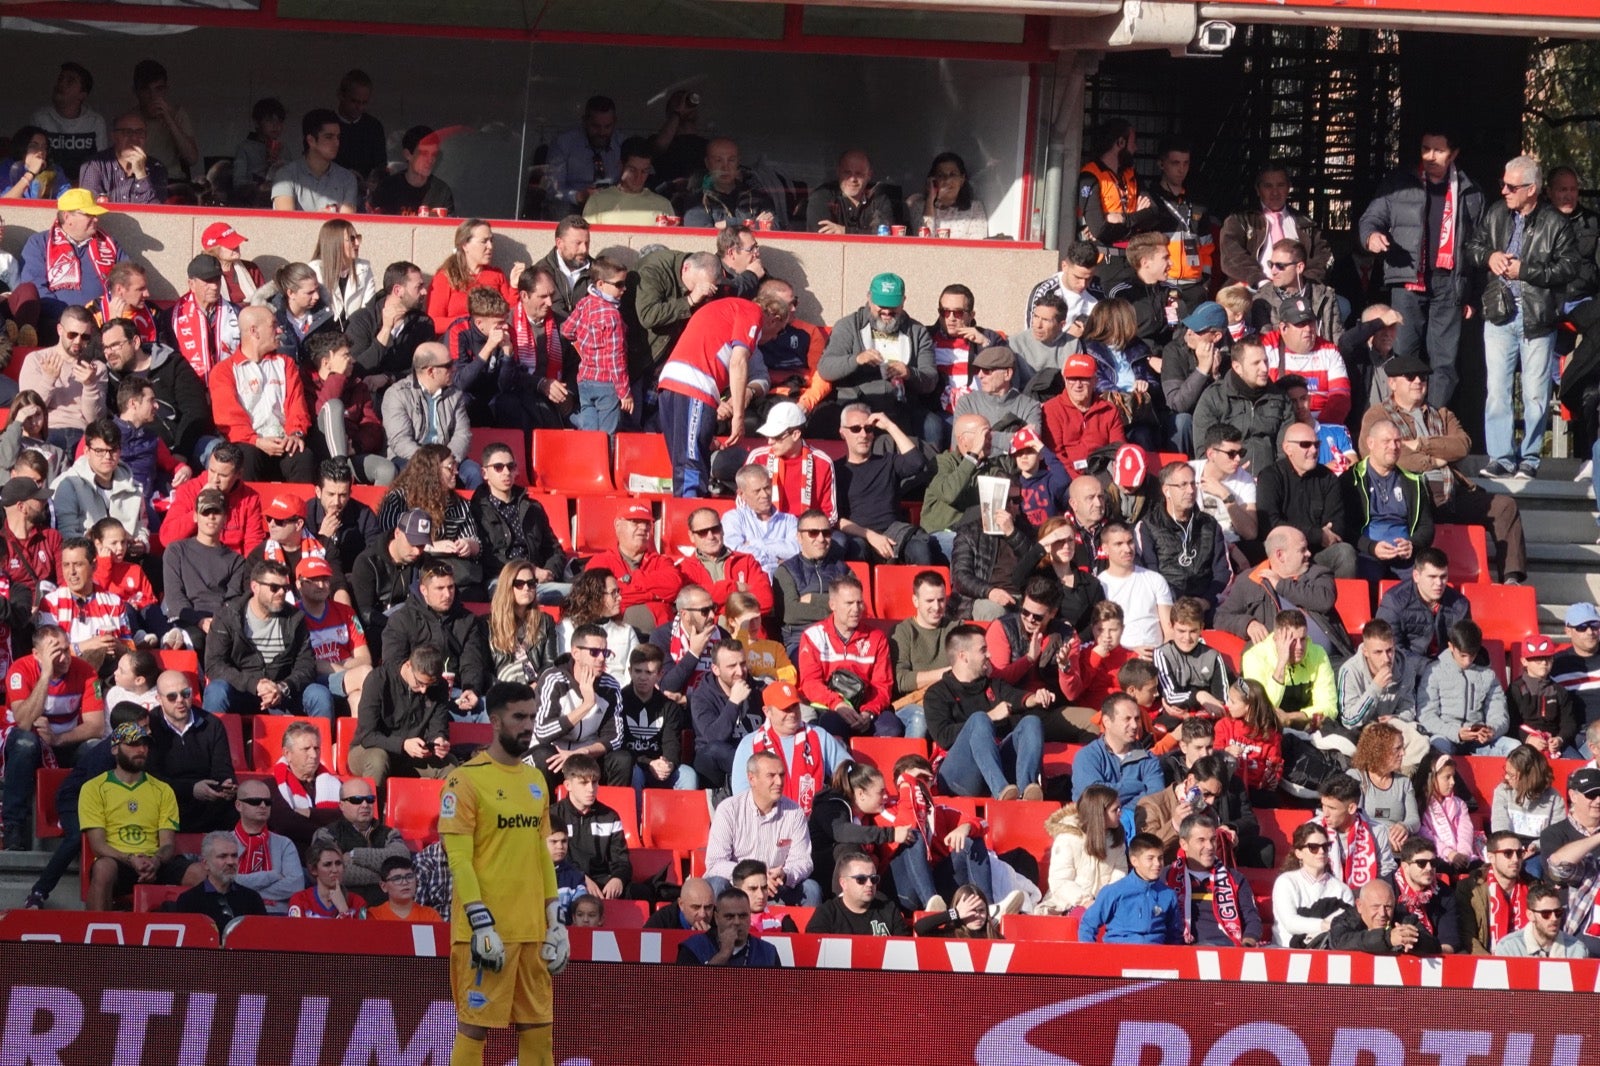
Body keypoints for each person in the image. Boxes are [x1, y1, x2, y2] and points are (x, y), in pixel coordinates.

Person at [440, 680, 567, 1066]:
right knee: (474, 1031)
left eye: (532, 716)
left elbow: (541, 854)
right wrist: (480, 923)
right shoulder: (464, 781)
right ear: (495, 721)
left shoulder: (535, 780)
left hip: (532, 931)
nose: (528, 725)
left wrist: (554, 919)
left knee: (539, 1035)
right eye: (518, 717)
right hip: (486, 933)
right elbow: (458, 859)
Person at [1362, 356, 1528, 584]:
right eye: (1410, 377)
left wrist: (1421, 444)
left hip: (1452, 491)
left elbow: (1462, 445)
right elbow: (1383, 455)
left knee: (1504, 506)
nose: (1418, 381)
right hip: (1412, 496)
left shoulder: (1441, 414)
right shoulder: (1378, 415)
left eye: (1423, 377)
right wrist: (1435, 460)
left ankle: (1512, 580)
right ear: (1392, 383)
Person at [1468, 155, 1581, 479]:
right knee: (1497, 390)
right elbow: (1471, 248)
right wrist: (1489, 256)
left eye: (1511, 186)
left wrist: (1525, 271)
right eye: (1503, 184)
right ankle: (1501, 457)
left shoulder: (1555, 223)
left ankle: (1529, 458)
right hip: (1500, 314)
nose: (1504, 190)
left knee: (1535, 392)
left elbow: (1570, 267)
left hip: (1537, 317)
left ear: (1532, 189)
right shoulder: (1495, 214)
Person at [1358, 128, 1486, 408]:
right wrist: (1372, 237)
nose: (1430, 156)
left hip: (1449, 283)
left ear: (1453, 154)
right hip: (1408, 280)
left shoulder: (1470, 191)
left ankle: (1435, 422)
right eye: (1425, 148)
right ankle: (1403, 419)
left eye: (1438, 150)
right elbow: (1370, 218)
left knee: (1444, 362)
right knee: (1404, 355)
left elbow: (1479, 247)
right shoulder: (1400, 183)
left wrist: (1473, 296)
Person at [658, 293, 786, 497]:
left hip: (670, 380)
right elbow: (738, 361)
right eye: (777, 331)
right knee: (691, 461)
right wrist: (738, 417)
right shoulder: (751, 311)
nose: (773, 338)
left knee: (684, 458)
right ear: (774, 318)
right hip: (696, 383)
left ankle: (686, 507)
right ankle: (693, 511)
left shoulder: (723, 309)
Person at [0, 626, 104, 850]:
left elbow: (96, 726)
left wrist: (57, 739)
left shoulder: (86, 671)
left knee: (96, 748)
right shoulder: (20, 670)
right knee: (25, 742)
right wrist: (46, 674)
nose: (65, 657)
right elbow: (25, 722)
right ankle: (13, 827)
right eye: (55, 652)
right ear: (37, 655)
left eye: (67, 650)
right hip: (26, 745)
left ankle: (91, 825)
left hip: (64, 741)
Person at [924, 623, 1049, 801]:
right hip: (959, 776)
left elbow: (1017, 698)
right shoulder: (937, 693)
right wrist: (991, 716)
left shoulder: (992, 685)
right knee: (979, 720)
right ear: (963, 656)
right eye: (983, 650)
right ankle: (1001, 792)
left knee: (1032, 722)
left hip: (998, 766)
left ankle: (1025, 793)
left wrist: (1036, 698)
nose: (989, 655)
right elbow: (943, 737)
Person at [81, 722, 198, 910]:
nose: (141, 750)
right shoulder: (94, 788)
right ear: (114, 750)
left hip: (154, 861)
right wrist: (131, 859)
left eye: (144, 745)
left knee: (199, 872)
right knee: (103, 869)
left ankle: (205, 935)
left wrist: (156, 861)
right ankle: (97, 933)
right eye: (133, 744)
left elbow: (167, 844)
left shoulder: (162, 790)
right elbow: (98, 846)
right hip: (119, 862)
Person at [816, 273, 938, 440]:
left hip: (900, 406)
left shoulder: (917, 332)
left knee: (932, 426)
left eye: (893, 306)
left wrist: (909, 373)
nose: (887, 311)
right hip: (857, 404)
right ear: (869, 298)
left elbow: (930, 379)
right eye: (881, 305)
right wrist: (857, 360)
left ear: (903, 301)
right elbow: (826, 368)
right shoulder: (849, 326)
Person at [203, 559, 325, 718]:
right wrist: (255, 684)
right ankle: (212, 742)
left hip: (281, 693)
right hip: (241, 690)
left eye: (285, 588)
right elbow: (214, 665)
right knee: (216, 691)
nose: (281, 593)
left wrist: (282, 688)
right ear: (255, 587)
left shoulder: (295, 619)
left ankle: (321, 742)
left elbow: (306, 665)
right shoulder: (228, 616)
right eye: (274, 588)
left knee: (319, 695)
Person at [209, 306, 315, 483]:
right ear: (254, 331)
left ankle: (301, 510)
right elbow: (228, 419)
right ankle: (248, 509)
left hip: (283, 441)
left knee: (303, 456)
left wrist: (295, 434)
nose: (279, 330)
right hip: (250, 444)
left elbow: (297, 405)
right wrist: (256, 441)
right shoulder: (224, 371)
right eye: (273, 325)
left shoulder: (285, 364)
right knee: (246, 457)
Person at [1217, 525, 1349, 663]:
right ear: (1280, 555)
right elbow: (1221, 617)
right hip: (1276, 666)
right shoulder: (1250, 580)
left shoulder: (1317, 573)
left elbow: (1324, 600)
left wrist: (1281, 585)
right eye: (1302, 550)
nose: (1309, 553)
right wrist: (1247, 624)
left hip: (1328, 661)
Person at [707, 750, 819, 905]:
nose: (779, 782)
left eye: (781, 775)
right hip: (738, 888)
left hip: (775, 887)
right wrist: (751, 877)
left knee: (811, 890)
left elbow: (803, 861)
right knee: (715, 885)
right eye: (771, 776)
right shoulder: (729, 809)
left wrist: (785, 875)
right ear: (752, 779)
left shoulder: (794, 813)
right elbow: (715, 863)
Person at [528, 622, 631, 786]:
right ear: (576, 653)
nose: (602, 658)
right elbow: (542, 731)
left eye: (605, 652)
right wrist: (586, 705)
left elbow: (615, 738)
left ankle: (609, 811)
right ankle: (545, 810)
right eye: (594, 652)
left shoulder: (610, 686)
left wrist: (581, 753)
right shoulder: (553, 679)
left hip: (587, 755)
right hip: (554, 752)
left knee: (622, 759)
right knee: (543, 756)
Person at [730, 679, 849, 815]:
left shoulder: (818, 736)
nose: (792, 714)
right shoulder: (750, 744)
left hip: (814, 824)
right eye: (785, 709)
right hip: (767, 824)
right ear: (767, 711)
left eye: (795, 707)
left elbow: (848, 774)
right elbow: (741, 796)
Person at [347, 643, 453, 789]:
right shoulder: (378, 680)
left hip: (413, 755)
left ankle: (445, 811)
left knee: (450, 765)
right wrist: (402, 744)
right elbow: (368, 735)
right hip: (369, 749)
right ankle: (372, 810)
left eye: (429, 685)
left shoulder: (439, 686)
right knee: (379, 760)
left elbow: (438, 724)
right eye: (419, 683)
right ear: (408, 665)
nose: (423, 690)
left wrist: (439, 740)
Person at [145, 667, 236, 833]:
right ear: (159, 698)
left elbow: (222, 768)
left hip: (208, 803)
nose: (180, 700)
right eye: (172, 696)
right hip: (167, 802)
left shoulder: (212, 724)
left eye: (185, 693)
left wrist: (225, 786)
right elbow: (152, 779)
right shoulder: (150, 725)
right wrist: (191, 789)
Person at [1192, 338, 1297, 478]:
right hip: (1226, 481)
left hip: (1269, 482)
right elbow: (1204, 452)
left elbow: (1286, 451)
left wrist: (1273, 480)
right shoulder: (1214, 397)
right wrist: (1233, 476)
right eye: (1256, 363)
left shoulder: (1280, 399)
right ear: (1237, 367)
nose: (1265, 369)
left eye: (1265, 361)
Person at [1343, 418, 1433, 580]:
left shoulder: (1413, 482)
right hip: (1366, 554)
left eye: (1397, 441)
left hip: (1405, 557)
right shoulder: (1351, 479)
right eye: (1386, 441)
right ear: (1370, 443)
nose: (1393, 447)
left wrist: (1413, 544)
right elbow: (1343, 527)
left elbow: (1427, 526)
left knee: (1427, 578)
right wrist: (1371, 547)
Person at [1218, 162, 1333, 289]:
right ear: (1258, 189)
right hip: (1252, 289)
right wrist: (1261, 282)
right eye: (1268, 186)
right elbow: (1231, 257)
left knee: (1343, 305)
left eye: (1280, 185)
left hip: (1299, 291)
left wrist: (1304, 284)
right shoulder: (1240, 220)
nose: (1275, 192)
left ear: (1289, 187)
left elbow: (1324, 257)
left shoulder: (1306, 223)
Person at [920, 414, 1018, 559]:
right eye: (983, 434)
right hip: (941, 534)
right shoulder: (942, 462)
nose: (989, 438)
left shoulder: (991, 468)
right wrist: (972, 456)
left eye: (990, 433)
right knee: (969, 549)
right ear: (962, 439)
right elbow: (949, 494)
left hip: (978, 535)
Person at [1134, 463, 1229, 610]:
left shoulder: (1210, 524)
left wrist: (1206, 601)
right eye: (1183, 485)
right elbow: (1150, 575)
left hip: (1206, 605)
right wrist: (1174, 604)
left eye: (1193, 484)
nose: (1191, 490)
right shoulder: (1147, 527)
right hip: (1167, 607)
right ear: (1167, 490)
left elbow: (1222, 572)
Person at [1416, 618, 1515, 757]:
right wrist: (1456, 732)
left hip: (1479, 740)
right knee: (1436, 749)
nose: (1467, 661)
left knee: (1514, 748)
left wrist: (1491, 730)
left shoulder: (1488, 675)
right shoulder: (1434, 671)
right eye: (1462, 655)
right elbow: (1426, 716)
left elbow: (1499, 714)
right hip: (1446, 736)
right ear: (1451, 647)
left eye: (1472, 655)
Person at [1164, 810, 1261, 947]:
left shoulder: (1235, 878)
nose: (1209, 847)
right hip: (1184, 951)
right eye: (1201, 840)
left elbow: (1252, 920)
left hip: (1229, 950)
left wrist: (1248, 943)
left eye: (1213, 840)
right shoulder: (1167, 877)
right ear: (1184, 844)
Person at [548, 753, 633, 902]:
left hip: (602, 882)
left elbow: (621, 859)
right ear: (568, 785)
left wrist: (618, 878)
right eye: (583, 783)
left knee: (638, 892)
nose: (591, 789)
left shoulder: (610, 816)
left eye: (594, 782)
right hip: (566, 879)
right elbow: (551, 857)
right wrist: (581, 877)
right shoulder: (552, 815)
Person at [51, 418, 147, 549]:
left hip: (125, 556)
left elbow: (141, 526)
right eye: (100, 451)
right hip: (87, 558)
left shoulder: (133, 486)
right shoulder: (68, 485)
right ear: (86, 451)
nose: (107, 457)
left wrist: (141, 543)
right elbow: (67, 534)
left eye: (113, 450)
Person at [21, 305, 106, 453]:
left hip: (81, 435)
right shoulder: (36, 359)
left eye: (85, 336)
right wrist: (48, 379)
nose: (78, 341)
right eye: (72, 334)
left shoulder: (96, 368)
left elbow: (95, 419)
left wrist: (90, 385)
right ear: (60, 330)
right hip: (46, 431)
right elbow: (29, 410)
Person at [345, 261, 436, 391]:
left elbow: (426, 369)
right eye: (419, 286)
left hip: (406, 395)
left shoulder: (423, 323)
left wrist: (389, 377)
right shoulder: (361, 320)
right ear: (398, 290)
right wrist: (385, 330)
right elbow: (354, 370)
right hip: (365, 396)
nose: (424, 292)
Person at [1241, 609, 1338, 728]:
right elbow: (1261, 712)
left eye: (1303, 639)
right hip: (1272, 731)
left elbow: (1330, 708)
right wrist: (1281, 664)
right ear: (1276, 639)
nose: (1299, 647)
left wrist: (1290, 717)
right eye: (1291, 641)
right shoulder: (1254, 658)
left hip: (1309, 728)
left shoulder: (1318, 654)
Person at [1077, 833, 1180, 944]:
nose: (1157, 864)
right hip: (1119, 954)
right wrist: (1092, 956)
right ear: (1134, 861)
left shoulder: (1168, 894)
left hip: (1155, 956)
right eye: (1150, 858)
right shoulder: (1114, 891)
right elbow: (1088, 925)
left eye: (1160, 858)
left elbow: (1174, 934)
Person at [1040, 785, 1127, 914]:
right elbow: (1060, 881)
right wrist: (1085, 901)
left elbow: (1120, 872)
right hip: (1064, 906)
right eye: (1115, 810)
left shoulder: (1116, 839)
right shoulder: (1068, 839)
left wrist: (1106, 899)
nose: (1120, 813)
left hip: (1104, 905)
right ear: (1099, 813)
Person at [221, 777, 302, 913]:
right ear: (238, 806)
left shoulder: (284, 844)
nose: (263, 806)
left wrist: (243, 890)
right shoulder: (223, 843)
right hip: (233, 914)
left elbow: (295, 886)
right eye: (255, 801)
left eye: (268, 802)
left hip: (277, 915)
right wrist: (271, 876)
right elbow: (223, 882)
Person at [349, 511, 428, 648]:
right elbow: (365, 613)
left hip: (414, 625)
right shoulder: (368, 562)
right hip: (380, 629)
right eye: (412, 543)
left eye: (421, 545)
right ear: (397, 533)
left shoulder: (424, 562)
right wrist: (396, 625)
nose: (417, 551)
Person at [1072, 693, 1164, 810]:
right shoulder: (1087, 756)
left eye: (1137, 718)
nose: (1135, 725)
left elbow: (1156, 800)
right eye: (1127, 719)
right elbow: (1092, 799)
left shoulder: (1149, 759)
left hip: (1140, 824)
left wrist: (1120, 813)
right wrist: (1136, 786)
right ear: (1107, 722)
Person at [676, 505, 773, 614]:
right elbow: (692, 609)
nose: (711, 536)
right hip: (707, 629)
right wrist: (733, 588)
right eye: (702, 532)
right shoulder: (683, 570)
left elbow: (765, 601)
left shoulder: (746, 561)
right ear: (691, 536)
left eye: (715, 529)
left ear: (722, 530)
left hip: (744, 629)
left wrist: (720, 610)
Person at [1271, 821, 1355, 948]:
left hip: (1327, 951)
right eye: (1313, 847)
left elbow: (1346, 923)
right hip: (1284, 951)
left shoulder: (1342, 889)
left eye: (1325, 846)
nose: (1321, 851)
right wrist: (1325, 925)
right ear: (1299, 853)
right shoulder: (1285, 882)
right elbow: (1290, 923)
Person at [1455, 828, 1536, 953]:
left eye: (1519, 853)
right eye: (1508, 853)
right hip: (1486, 963)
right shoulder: (1469, 888)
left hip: (1528, 962)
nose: (1515, 859)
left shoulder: (1534, 888)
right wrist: (1493, 966)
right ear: (1491, 857)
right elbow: (1468, 938)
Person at [1096, 521, 1173, 653]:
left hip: (1156, 656)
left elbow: (1169, 629)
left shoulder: (1155, 579)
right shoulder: (1099, 585)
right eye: (1118, 544)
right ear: (1105, 548)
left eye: (1130, 542)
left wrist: (1161, 656)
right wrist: (1132, 653)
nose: (1127, 549)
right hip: (1119, 659)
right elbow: (1100, 633)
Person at [174, 830, 270, 932]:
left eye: (234, 856)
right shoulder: (189, 900)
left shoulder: (252, 899)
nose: (230, 862)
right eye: (222, 856)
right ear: (205, 864)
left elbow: (263, 939)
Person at [1314, 772, 1397, 888]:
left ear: (1351, 808)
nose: (1325, 813)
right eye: (1323, 805)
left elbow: (1385, 872)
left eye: (1332, 808)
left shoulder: (1377, 831)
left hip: (1363, 897)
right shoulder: (1313, 829)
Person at [679, 137, 777, 231]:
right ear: (707, 163)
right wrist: (754, 224)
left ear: (738, 162)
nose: (725, 167)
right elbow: (700, 236)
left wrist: (727, 224)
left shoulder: (757, 198)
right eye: (718, 160)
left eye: (731, 160)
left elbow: (776, 227)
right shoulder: (697, 201)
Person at [31, 62, 107, 182]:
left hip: (84, 188)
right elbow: (32, 160)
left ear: (82, 95)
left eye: (70, 81)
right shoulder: (41, 118)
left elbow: (101, 163)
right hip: (48, 188)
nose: (61, 84)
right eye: (60, 79)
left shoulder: (95, 122)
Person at [1510, 635, 1582, 760]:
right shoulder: (1516, 689)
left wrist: (1560, 739)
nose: (1544, 663)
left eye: (1548, 658)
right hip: (1525, 743)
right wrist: (1528, 738)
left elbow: (1569, 723)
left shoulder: (1559, 691)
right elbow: (1510, 723)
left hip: (1555, 744)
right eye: (1537, 659)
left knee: (1579, 766)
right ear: (1524, 661)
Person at [271, 109, 358, 213]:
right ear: (311, 140)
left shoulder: (347, 178)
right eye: (329, 137)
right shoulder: (285, 175)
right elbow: (286, 222)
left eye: (338, 137)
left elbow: (345, 224)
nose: (336, 143)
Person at [803, 850, 908, 935]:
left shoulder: (889, 910)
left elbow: (905, 953)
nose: (870, 884)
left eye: (874, 879)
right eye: (861, 879)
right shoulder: (827, 914)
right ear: (843, 883)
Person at [722, 464, 800, 578]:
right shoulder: (733, 518)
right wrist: (776, 561)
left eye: (767, 488)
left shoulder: (789, 520)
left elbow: (796, 551)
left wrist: (755, 543)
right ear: (741, 494)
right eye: (757, 491)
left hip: (785, 583)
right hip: (750, 583)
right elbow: (735, 552)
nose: (764, 495)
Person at [1328, 879, 1443, 955]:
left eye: (1388, 907)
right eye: (1375, 907)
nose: (1382, 913)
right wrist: (1388, 939)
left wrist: (1414, 941)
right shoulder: (1345, 921)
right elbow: (1340, 943)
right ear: (1360, 905)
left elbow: (1434, 946)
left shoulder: (1405, 919)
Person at [76, 111, 167, 205]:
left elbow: (156, 212)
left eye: (140, 133)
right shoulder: (95, 164)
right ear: (114, 137)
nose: (134, 138)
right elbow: (87, 206)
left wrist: (141, 174)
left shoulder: (157, 167)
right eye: (127, 132)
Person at [677, 887, 782, 966]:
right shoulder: (693, 948)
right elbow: (687, 991)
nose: (737, 922)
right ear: (717, 918)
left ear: (750, 916)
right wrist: (724, 954)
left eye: (743, 916)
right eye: (729, 917)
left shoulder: (768, 952)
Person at [1491, 744, 1565, 851]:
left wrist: (1534, 847)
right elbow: (1499, 827)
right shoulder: (1503, 791)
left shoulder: (1554, 798)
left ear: (1528, 777)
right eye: (1506, 772)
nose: (1506, 777)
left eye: (1511, 775)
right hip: (1508, 849)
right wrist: (1515, 850)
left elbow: (1555, 835)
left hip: (1539, 850)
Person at [581, 136, 670, 225]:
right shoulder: (597, 201)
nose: (638, 177)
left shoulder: (663, 205)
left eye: (644, 171)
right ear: (620, 165)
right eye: (632, 170)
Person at [806, 150, 896, 235]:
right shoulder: (822, 196)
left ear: (869, 175)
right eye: (847, 173)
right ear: (838, 172)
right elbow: (821, 236)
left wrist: (845, 231)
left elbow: (883, 234)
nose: (853, 179)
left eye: (859, 174)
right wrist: (863, 233)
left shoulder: (879, 200)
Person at [372, 125, 455, 217]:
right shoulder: (387, 188)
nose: (430, 159)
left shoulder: (441, 191)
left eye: (434, 154)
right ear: (407, 154)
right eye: (424, 153)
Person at [1493, 882, 1590, 958]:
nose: (1554, 918)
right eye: (1546, 914)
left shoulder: (1577, 950)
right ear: (1530, 915)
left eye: (1558, 912)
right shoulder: (1509, 948)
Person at [908, 151, 988, 239]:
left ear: (962, 179)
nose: (947, 180)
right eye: (941, 175)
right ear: (933, 180)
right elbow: (923, 240)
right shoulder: (919, 207)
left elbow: (978, 245)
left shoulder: (975, 208)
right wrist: (930, 199)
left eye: (953, 174)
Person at [229, 97, 286, 207]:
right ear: (257, 123)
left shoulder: (284, 148)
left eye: (279, 121)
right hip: (252, 203)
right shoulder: (245, 147)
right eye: (269, 120)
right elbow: (238, 183)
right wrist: (259, 187)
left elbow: (293, 177)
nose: (276, 125)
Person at [369, 855, 444, 923]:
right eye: (397, 879)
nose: (405, 882)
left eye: (409, 877)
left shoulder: (430, 916)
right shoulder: (374, 916)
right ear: (383, 886)